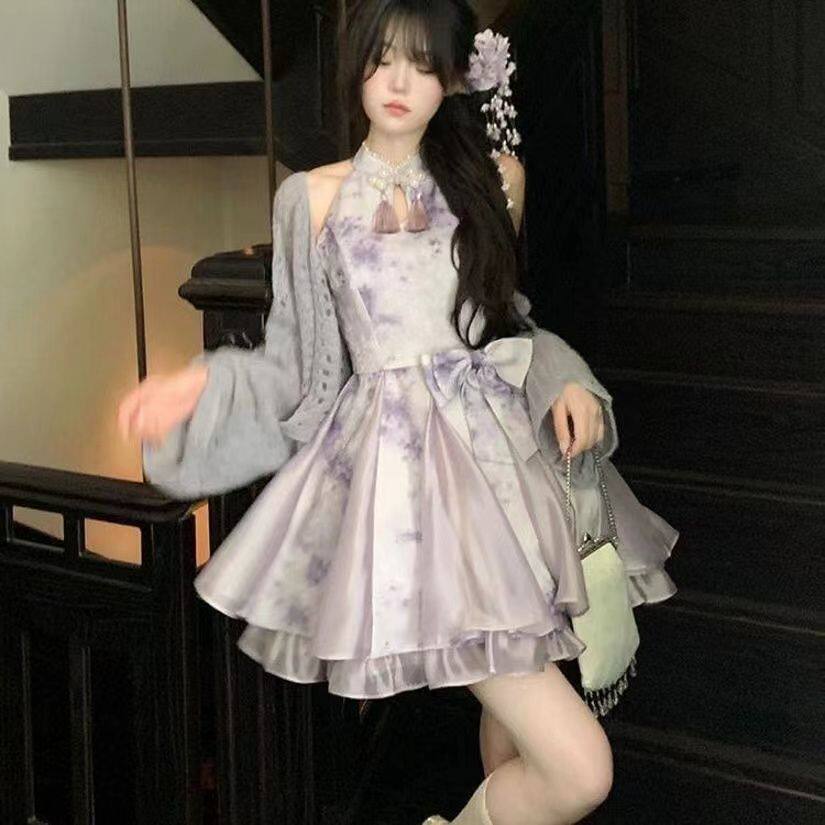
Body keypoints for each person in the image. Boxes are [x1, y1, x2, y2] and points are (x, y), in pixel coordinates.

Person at [117, 2, 679, 822]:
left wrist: (565, 381)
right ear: (356, 66)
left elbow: (506, 322)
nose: (397, 81)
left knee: (515, 742)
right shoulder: (311, 197)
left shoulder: (495, 179)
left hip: (505, 467)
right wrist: (201, 387)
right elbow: (295, 365)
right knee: (578, 771)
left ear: (452, 78)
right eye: (381, 59)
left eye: (420, 64)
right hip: (408, 491)